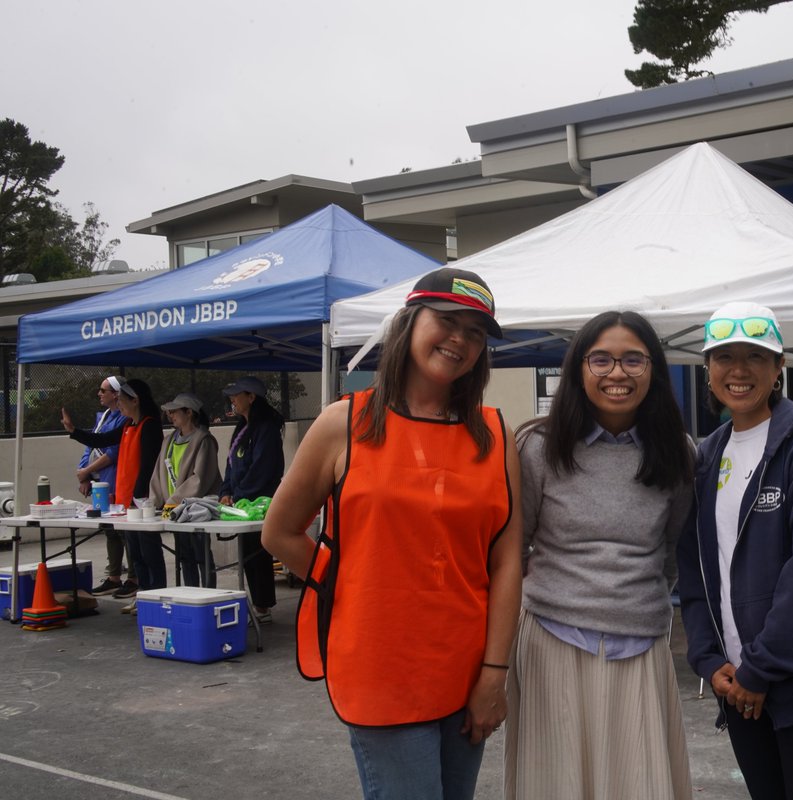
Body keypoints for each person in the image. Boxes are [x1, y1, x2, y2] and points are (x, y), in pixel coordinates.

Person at [262, 267, 522, 800]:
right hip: (380, 669)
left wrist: (495, 673)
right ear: (409, 322)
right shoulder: (344, 423)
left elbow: (507, 561)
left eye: (476, 333)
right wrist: (347, 588)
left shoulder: (495, 434)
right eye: (447, 321)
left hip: (468, 666)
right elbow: (280, 532)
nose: (461, 340)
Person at [676, 301, 793, 800]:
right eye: (724, 357)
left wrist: (761, 669)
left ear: (780, 366)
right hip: (737, 684)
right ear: (707, 368)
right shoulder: (707, 456)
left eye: (755, 357)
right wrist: (707, 655)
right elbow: (698, 568)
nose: (738, 371)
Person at [505, 310, 695, 800]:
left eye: (634, 359)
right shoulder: (537, 447)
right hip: (551, 641)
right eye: (602, 360)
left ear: (653, 369)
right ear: (578, 369)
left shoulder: (677, 451)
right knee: (556, 783)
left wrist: (630, 601)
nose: (617, 373)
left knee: (639, 783)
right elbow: (514, 546)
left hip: (641, 642)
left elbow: (671, 548)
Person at [63, 378, 165, 611]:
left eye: (121, 399)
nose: (118, 403)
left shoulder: (149, 425)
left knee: (149, 552)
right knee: (136, 554)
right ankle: (143, 596)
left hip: (142, 501)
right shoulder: (128, 425)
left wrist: (138, 498)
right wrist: (74, 431)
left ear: (135, 401)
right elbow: (102, 439)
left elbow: (149, 466)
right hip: (126, 499)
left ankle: (155, 596)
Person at [218, 376, 285, 621]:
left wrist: (239, 494)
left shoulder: (266, 427)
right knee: (247, 552)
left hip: (259, 503)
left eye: (237, 394)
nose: (232, 399)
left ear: (251, 397)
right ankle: (258, 604)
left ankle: (262, 606)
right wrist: (225, 492)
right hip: (241, 503)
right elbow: (230, 464)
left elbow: (263, 468)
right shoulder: (242, 426)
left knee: (257, 553)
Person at [148, 392, 222, 588]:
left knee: (202, 555)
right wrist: (155, 503)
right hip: (174, 510)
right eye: (169, 412)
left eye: (174, 411)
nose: (170, 415)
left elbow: (201, 479)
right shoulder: (169, 440)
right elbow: (158, 474)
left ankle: (207, 594)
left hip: (194, 510)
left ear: (189, 412)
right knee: (184, 556)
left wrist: (174, 501)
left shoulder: (204, 439)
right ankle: (190, 594)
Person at [76, 375, 129, 596]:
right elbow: (90, 444)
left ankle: (134, 578)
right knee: (109, 531)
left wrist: (87, 471)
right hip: (100, 481)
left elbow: (113, 453)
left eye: (103, 390)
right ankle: (114, 576)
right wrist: (84, 474)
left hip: (116, 480)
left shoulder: (124, 419)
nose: (99, 394)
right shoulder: (103, 416)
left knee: (125, 531)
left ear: (116, 394)